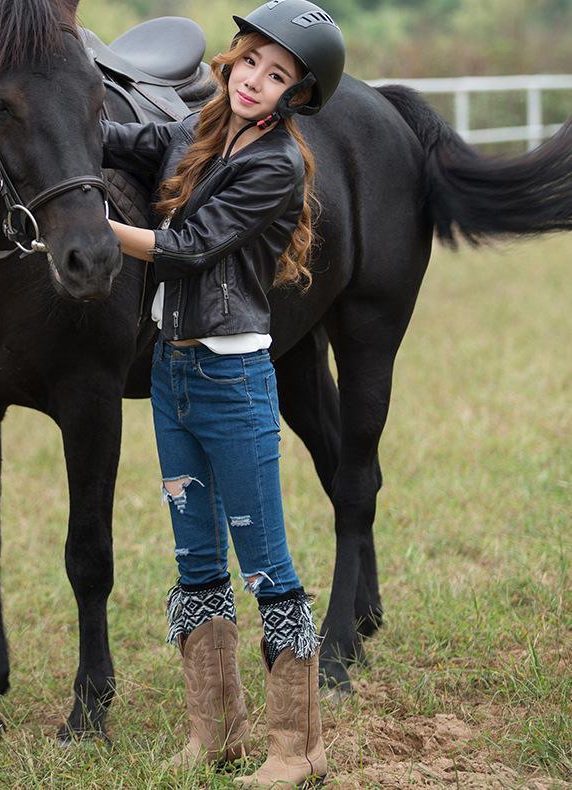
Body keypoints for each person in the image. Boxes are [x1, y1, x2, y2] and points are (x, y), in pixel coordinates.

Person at [101, 1, 345, 785]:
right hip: (171, 375)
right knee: (196, 556)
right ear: (233, 60)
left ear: (297, 96)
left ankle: (297, 748)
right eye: (250, 62)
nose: (254, 81)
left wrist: (89, 227)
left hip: (232, 382)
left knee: (266, 563)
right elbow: (117, 140)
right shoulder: (196, 130)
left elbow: (186, 249)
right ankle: (218, 730)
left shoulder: (276, 165)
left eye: (278, 76)